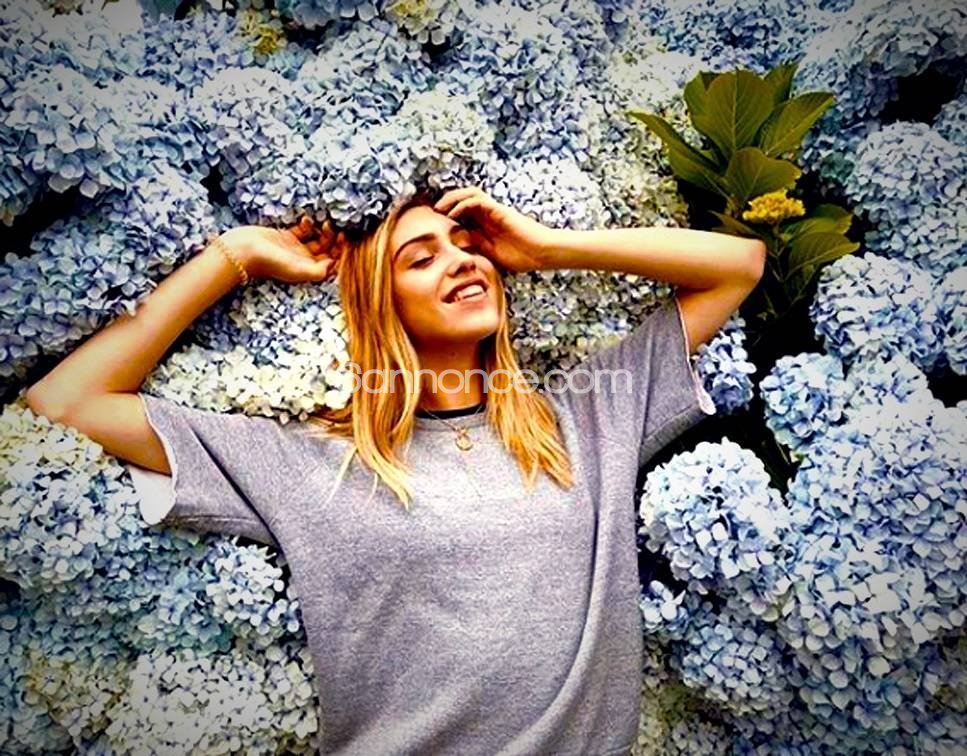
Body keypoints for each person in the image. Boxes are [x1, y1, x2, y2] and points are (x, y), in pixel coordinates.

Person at [25, 185, 765, 755]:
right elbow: (66, 403)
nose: (462, 260)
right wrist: (236, 258)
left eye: (466, 245)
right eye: (421, 257)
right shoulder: (311, 461)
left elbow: (737, 268)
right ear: (381, 302)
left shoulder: (584, 416)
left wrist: (544, 248)